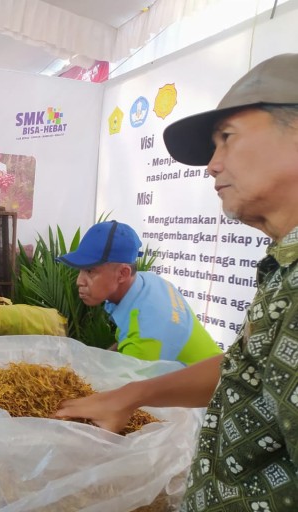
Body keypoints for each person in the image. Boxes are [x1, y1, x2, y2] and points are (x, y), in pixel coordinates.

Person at [54, 54, 298, 511]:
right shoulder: (284, 265)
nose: (212, 164)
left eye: (227, 138)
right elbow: (244, 370)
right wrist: (130, 395)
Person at [57, 220, 222, 366]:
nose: (79, 281)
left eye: (90, 271)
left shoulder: (146, 337)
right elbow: (127, 336)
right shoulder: (147, 282)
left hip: (204, 395)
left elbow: (122, 392)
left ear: (123, 273)